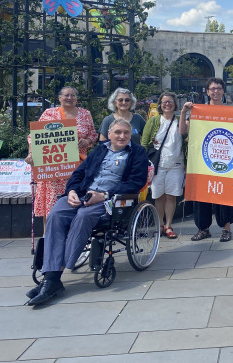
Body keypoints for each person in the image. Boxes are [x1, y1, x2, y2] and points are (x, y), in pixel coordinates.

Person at [25, 118, 147, 306]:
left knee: (83, 216)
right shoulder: (100, 150)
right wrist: (72, 191)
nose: (122, 136)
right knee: (56, 214)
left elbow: (136, 182)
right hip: (83, 194)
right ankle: (52, 277)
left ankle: (53, 277)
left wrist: (104, 194)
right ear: (109, 135)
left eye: (126, 133)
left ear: (131, 135)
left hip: (110, 200)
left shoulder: (137, 152)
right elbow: (78, 174)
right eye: (118, 132)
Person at [26, 86, 98, 218]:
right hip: (53, 167)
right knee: (51, 205)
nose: (70, 98)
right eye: (66, 95)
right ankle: (48, 236)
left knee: (74, 201)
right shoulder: (49, 113)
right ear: (59, 98)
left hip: (77, 167)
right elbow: (34, 136)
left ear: (77, 99)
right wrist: (31, 154)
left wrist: (86, 142)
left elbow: (93, 135)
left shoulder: (85, 114)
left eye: (73, 95)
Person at [181, 77, 233, 242]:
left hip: (224, 159)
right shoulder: (199, 111)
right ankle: (203, 228)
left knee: (225, 194)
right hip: (203, 159)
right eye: (213, 88)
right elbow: (183, 131)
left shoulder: (230, 112)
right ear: (207, 91)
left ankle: (226, 229)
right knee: (201, 195)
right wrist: (184, 112)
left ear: (223, 91)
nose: (216, 91)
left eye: (219, 88)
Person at [142, 92, 186, 240]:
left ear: (175, 104)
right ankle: (159, 224)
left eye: (170, 101)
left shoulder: (180, 120)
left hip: (176, 164)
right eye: (164, 102)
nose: (167, 104)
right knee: (158, 195)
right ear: (160, 104)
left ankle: (168, 225)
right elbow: (144, 142)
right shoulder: (153, 121)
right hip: (158, 164)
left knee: (171, 196)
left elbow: (185, 137)